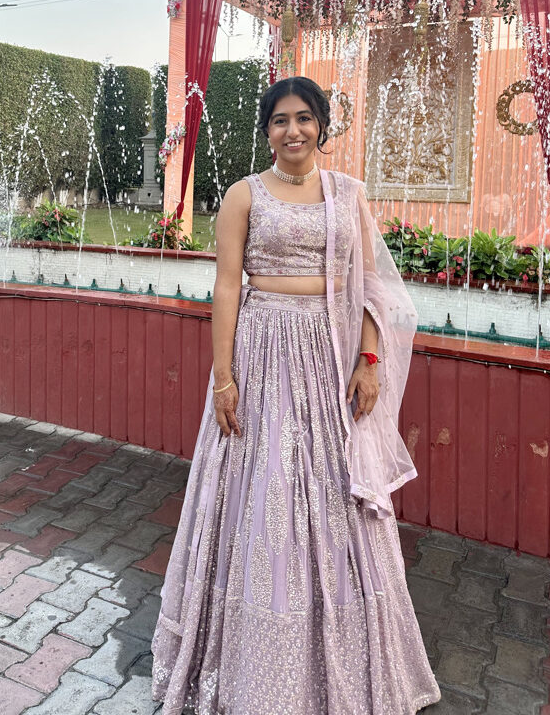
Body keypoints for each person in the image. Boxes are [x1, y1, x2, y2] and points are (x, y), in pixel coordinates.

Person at [151, 76, 441, 714]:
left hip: (328, 359)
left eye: (304, 118)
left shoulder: (348, 196)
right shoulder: (242, 197)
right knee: (263, 492)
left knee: (332, 495)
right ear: (267, 130)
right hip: (259, 354)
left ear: (322, 125)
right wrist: (223, 378)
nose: (293, 131)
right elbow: (227, 287)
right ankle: (254, 659)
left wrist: (369, 362)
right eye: (280, 120)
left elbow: (370, 288)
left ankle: (334, 651)